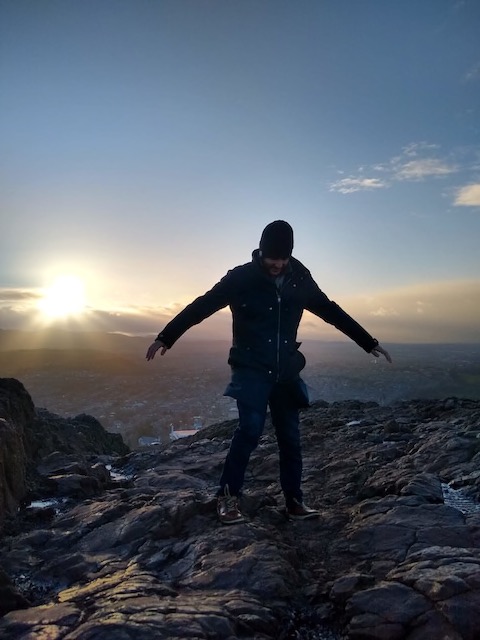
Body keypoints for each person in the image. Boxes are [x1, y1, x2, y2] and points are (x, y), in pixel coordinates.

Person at [146, 221, 392, 525]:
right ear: (261, 252)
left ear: (289, 255)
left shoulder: (300, 279)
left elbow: (330, 311)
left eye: (282, 259)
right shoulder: (241, 278)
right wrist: (166, 336)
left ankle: (294, 501)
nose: (276, 265)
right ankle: (227, 499)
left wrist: (368, 342)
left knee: (290, 437)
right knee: (249, 430)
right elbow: (203, 305)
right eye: (271, 258)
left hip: (286, 370)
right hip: (250, 367)